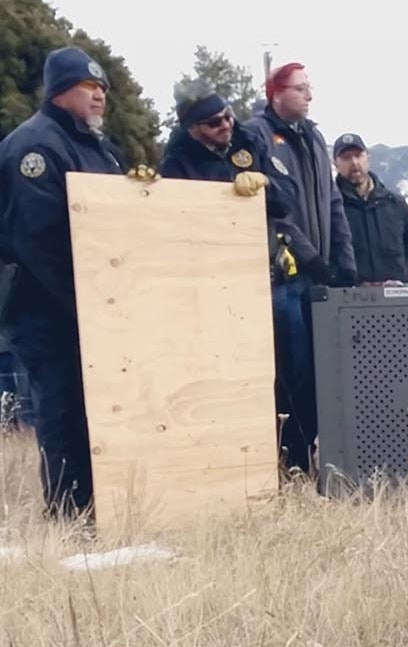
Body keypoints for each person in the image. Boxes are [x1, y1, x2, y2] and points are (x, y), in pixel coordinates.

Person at [0, 47, 127, 520]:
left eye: (103, 89)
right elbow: (42, 244)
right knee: (64, 413)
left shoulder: (100, 149)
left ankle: (107, 512)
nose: (99, 96)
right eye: (88, 88)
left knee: (103, 414)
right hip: (47, 311)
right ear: (59, 92)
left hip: (96, 308)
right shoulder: (34, 148)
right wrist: (92, 303)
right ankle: (71, 520)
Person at [240, 61, 357, 472]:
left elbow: (332, 201)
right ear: (276, 93)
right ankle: (292, 461)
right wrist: (309, 257)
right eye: (300, 88)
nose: (309, 95)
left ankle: (313, 457)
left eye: (310, 87)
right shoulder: (255, 135)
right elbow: (271, 211)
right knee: (294, 373)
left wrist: (344, 264)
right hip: (285, 276)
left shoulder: (313, 136)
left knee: (323, 372)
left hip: (319, 277)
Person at [157, 78, 296, 246]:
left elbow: (287, 199)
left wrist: (267, 184)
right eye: (214, 122)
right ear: (193, 129)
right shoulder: (178, 163)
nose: (225, 125)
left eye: (228, 116)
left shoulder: (250, 142)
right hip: (210, 254)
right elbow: (172, 219)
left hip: (258, 254)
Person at [333, 132, 408, 285]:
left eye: (358, 155)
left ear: (368, 157)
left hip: (396, 300)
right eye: (346, 157)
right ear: (335, 164)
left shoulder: (395, 203)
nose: (354, 162)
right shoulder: (330, 208)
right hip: (348, 301)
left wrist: (405, 275)